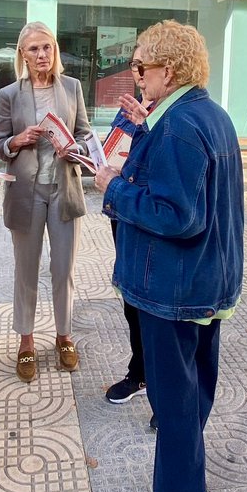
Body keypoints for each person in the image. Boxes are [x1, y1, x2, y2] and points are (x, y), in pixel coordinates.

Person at [94, 21, 244, 492]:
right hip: (205, 283)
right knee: (192, 397)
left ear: (169, 70)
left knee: (175, 405)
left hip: (175, 290)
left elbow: (178, 214)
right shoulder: (205, 114)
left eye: (140, 67)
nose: (134, 77)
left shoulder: (180, 125)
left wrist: (113, 187)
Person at [0, 21, 93, 381]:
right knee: (27, 270)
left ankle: (64, 335)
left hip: (63, 188)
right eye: (34, 49)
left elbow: (84, 133)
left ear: (55, 51)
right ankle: (26, 340)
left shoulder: (72, 87)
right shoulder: (9, 94)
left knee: (63, 268)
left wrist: (75, 147)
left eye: (47, 47)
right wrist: (16, 141)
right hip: (26, 192)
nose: (42, 55)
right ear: (23, 54)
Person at [104, 47, 152, 406]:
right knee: (132, 301)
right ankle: (140, 373)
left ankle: (162, 393)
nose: (138, 72)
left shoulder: (169, 117)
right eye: (134, 65)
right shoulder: (130, 109)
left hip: (151, 221)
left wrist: (143, 126)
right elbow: (110, 151)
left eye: (144, 65)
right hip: (123, 214)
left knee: (154, 307)